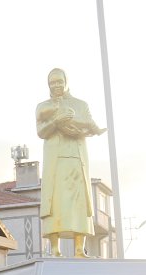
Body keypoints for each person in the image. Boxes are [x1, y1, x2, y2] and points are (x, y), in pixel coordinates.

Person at [37, 68, 106, 257]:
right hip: (54, 160)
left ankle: (79, 249)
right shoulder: (43, 107)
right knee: (55, 203)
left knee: (78, 202)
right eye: (52, 83)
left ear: (66, 82)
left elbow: (90, 125)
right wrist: (56, 122)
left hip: (76, 157)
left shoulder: (80, 105)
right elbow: (41, 132)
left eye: (59, 81)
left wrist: (85, 129)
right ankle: (54, 249)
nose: (56, 85)